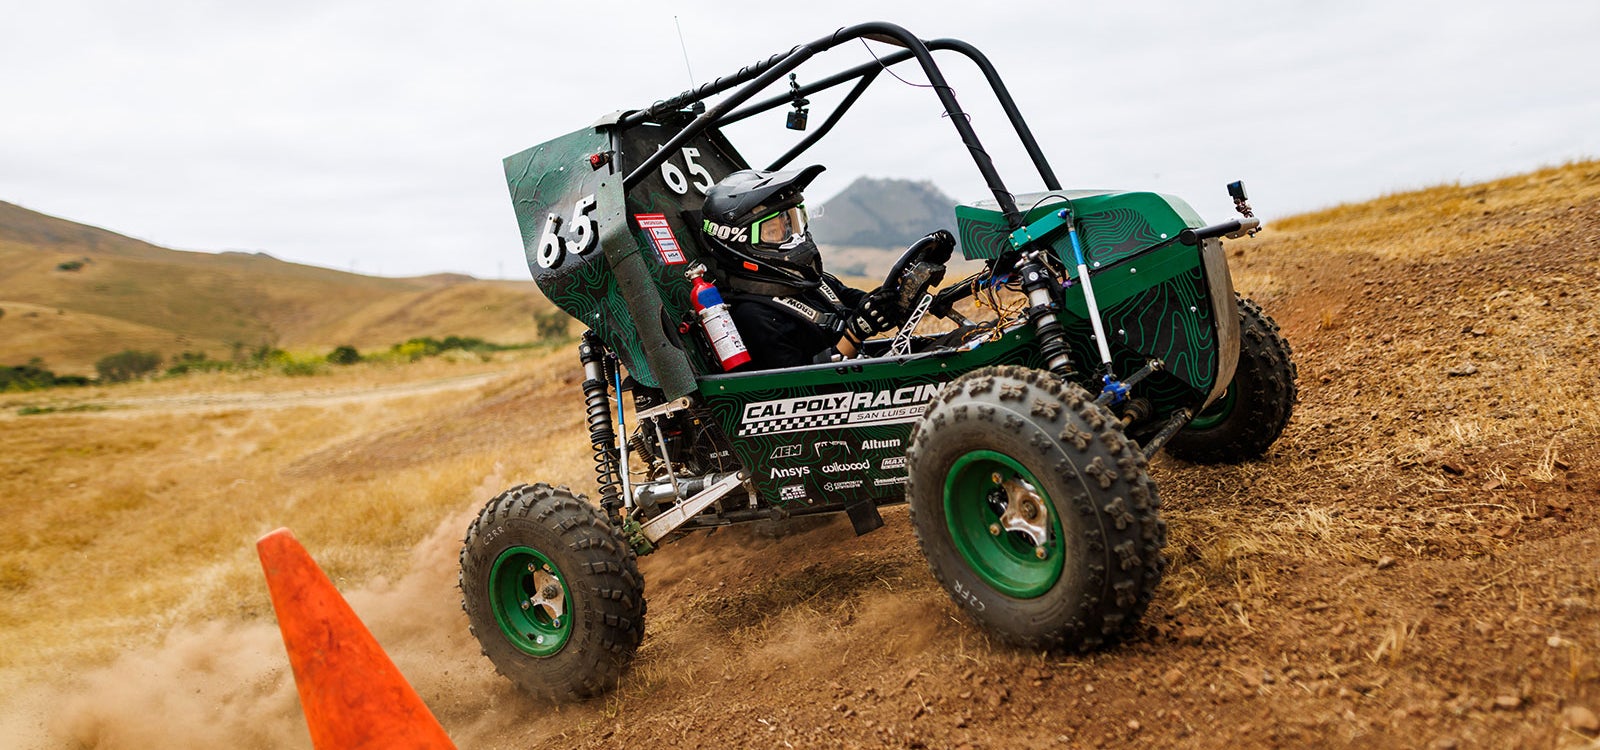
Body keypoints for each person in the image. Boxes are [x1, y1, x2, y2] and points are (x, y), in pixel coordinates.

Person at [696, 164, 947, 370]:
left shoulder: (814, 283)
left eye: (793, 223)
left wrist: (900, 297)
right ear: (737, 241)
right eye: (776, 231)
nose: (795, 237)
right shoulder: (754, 316)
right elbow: (796, 392)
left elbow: (865, 305)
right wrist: (853, 335)